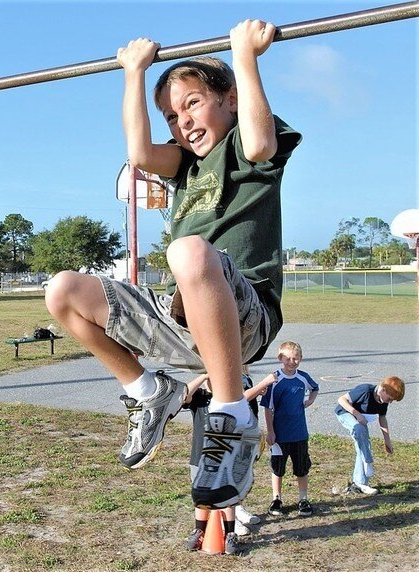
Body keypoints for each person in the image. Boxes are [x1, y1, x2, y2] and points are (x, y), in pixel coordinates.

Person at [45, 19, 301, 510]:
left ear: (230, 100)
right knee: (62, 290)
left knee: (187, 250)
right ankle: (149, 392)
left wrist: (244, 55)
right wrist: (134, 73)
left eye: (193, 103)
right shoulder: (185, 165)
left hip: (245, 316)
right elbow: (139, 153)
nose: (182, 121)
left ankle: (233, 415)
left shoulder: (248, 149)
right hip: (182, 319)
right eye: (171, 115)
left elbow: (259, 142)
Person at [182, 369, 270, 554]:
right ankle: (199, 531)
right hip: (200, 457)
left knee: (227, 498)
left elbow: (246, 402)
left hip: (226, 459)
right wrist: (204, 376)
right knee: (201, 499)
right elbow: (184, 395)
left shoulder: (230, 404)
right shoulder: (201, 397)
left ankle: (230, 534)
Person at [259, 341, 319, 517]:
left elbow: (315, 388)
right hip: (280, 435)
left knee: (302, 468)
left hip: (299, 433)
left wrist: (310, 400)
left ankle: (303, 498)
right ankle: (276, 499)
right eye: (288, 358)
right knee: (278, 468)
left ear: (301, 358)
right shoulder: (275, 380)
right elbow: (268, 408)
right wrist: (271, 432)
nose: (292, 362)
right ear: (280, 358)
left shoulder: (303, 378)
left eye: (296, 358)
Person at [335, 376, 405, 495]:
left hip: (360, 420)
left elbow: (382, 419)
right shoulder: (365, 390)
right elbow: (341, 400)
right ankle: (368, 461)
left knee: (363, 445)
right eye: (389, 398)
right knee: (358, 429)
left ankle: (360, 483)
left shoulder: (382, 401)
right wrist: (357, 414)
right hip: (345, 413)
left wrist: (387, 441)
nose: (390, 402)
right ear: (383, 389)